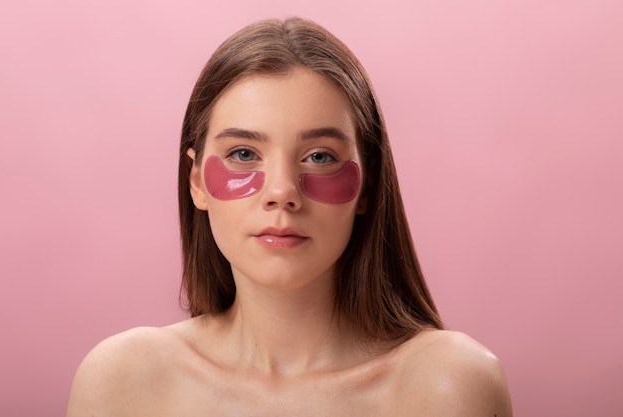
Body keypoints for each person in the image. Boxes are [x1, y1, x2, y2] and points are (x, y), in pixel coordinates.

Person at [66, 17, 512, 416]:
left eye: (319, 156)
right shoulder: (120, 385)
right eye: (243, 153)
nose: (282, 192)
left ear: (367, 186)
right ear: (197, 181)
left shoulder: (448, 386)